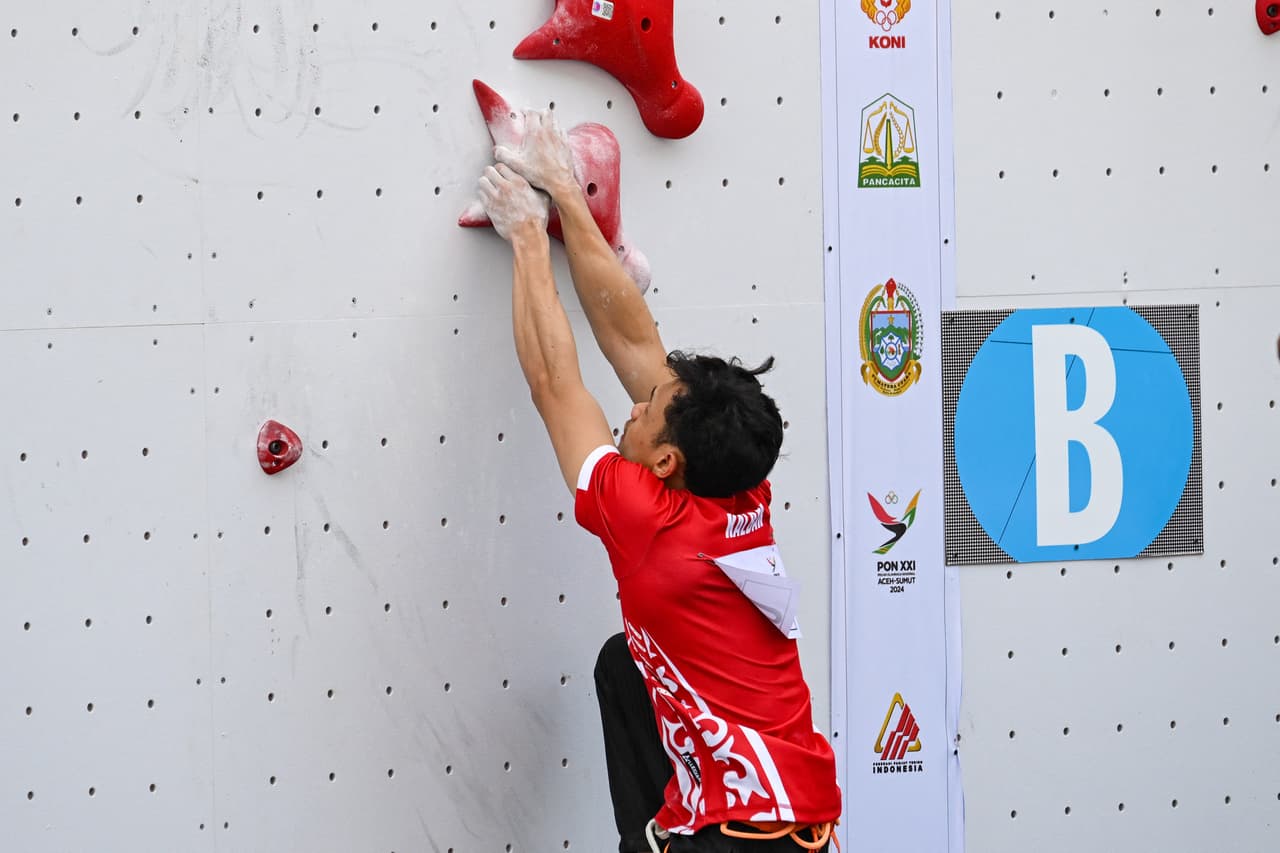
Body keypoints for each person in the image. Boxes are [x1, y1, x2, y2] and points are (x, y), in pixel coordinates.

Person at [475, 110, 841, 853]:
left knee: (627, 664)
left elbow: (555, 382)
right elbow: (633, 338)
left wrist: (524, 236)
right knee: (624, 663)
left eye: (644, 409)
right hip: (799, 828)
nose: (634, 403)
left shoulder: (648, 519)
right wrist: (568, 196)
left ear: (666, 461)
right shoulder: (739, 484)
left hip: (734, 841)